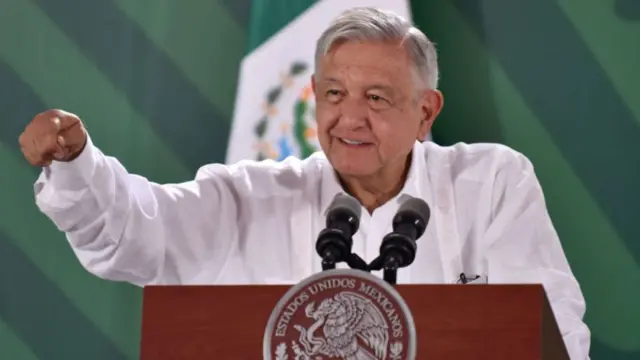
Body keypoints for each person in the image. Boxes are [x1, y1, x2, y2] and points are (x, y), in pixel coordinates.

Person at [18, 7, 590, 359]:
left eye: (377, 98)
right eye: (335, 95)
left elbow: (550, 330)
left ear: (426, 110)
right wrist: (77, 164)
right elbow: (133, 233)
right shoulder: (248, 198)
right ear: (314, 99)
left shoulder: (490, 181)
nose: (350, 118)